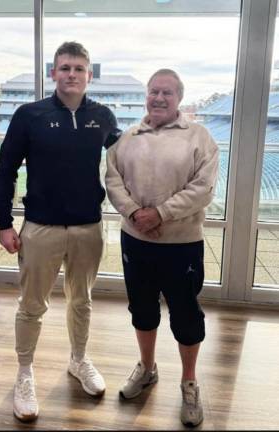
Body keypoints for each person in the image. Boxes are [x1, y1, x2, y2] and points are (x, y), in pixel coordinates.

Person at [0, 41, 120, 422]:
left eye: (79, 68)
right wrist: (3, 222)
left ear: (89, 75)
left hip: (88, 228)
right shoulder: (28, 114)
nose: (71, 74)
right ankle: (24, 373)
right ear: (53, 73)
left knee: (81, 301)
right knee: (32, 306)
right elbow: (6, 168)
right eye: (64, 67)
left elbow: (127, 159)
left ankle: (79, 361)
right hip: (41, 228)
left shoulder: (103, 116)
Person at [105, 69, 219, 427]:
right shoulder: (128, 137)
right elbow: (112, 180)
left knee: (185, 314)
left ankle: (189, 382)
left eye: (166, 93)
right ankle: (147, 368)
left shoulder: (199, 137)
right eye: (154, 91)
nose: (158, 98)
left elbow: (203, 188)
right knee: (141, 308)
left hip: (181, 244)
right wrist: (137, 214)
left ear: (179, 98)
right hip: (135, 240)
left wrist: (161, 214)